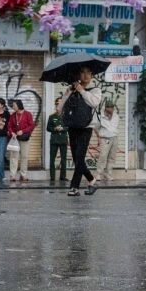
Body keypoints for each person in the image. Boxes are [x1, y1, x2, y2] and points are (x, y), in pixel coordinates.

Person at [61, 66, 101, 197]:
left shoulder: (95, 90)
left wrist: (82, 90)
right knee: (76, 158)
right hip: (72, 126)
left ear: (92, 75)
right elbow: (59, 107)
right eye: (82, 72)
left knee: (79, 157)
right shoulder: (72, 90)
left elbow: (94, 103)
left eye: (88, 72)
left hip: (86, 128)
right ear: (78, 74)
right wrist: (69, 91)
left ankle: (74, 187)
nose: (85, 75)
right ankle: (91, 180)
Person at [6, 98, 34, 183]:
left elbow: (31, 125)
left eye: (14, 105)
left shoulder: (27, 114)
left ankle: (23, 174)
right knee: (14, 157)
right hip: (15, 139)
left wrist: (23, 131)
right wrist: (12, 133)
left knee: (24, 156)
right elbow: (9, 126)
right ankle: (12, 175)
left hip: (24, 138)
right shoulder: (13, 115)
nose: (13, 107)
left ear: (19, 105)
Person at [95, 101, 120, 181]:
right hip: (105, 139)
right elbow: (96, 128)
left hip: (114, 138)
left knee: (112, 157)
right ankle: (98, 174)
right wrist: (99, 136)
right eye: (109, 107)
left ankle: (108, 174)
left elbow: (115, 127)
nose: (111, 109)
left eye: (112, 107)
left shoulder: (116, 116)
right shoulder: (100, 116)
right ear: (105, 108)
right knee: (103, 156)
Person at [46, 96, 68, 184]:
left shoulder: (66, 116)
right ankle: (52, 177)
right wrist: (55, 128)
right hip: (54, 140)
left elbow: (69, 126)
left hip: (63, 139)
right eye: (57, 104)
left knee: (63, 159)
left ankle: (62, 176)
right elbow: (48, 128)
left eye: (60, 103)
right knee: (52, 159)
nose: (58, 105)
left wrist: (62, 128)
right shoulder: (52, 116)